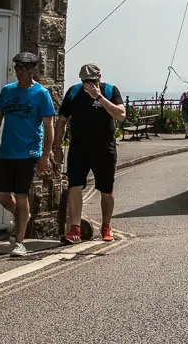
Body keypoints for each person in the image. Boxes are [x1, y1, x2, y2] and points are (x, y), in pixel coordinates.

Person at [0, 52, 55, 257]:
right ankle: (23, 216)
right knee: (1, 195)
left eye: (21, 69)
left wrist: (46, 155)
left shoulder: (41, 94)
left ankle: (19, 242)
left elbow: (49, 127)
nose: (18, 73)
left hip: (29, 153)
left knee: (22, 196)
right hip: (7, 152)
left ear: (31, 70)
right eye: (16, 69)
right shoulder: (7, 91)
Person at [54, 63, 125, 245]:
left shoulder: (110, 91)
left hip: (104, 148)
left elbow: (121, 115)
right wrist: (57, 147)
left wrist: (99, 98)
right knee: (74, 186)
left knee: (106, 190)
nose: (89, 84)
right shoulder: (73, 93)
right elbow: (62, 120)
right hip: (79, 148)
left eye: (92, 80)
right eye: (85, 81)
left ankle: (106, 226)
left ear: (99, 78)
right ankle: (75, 229)